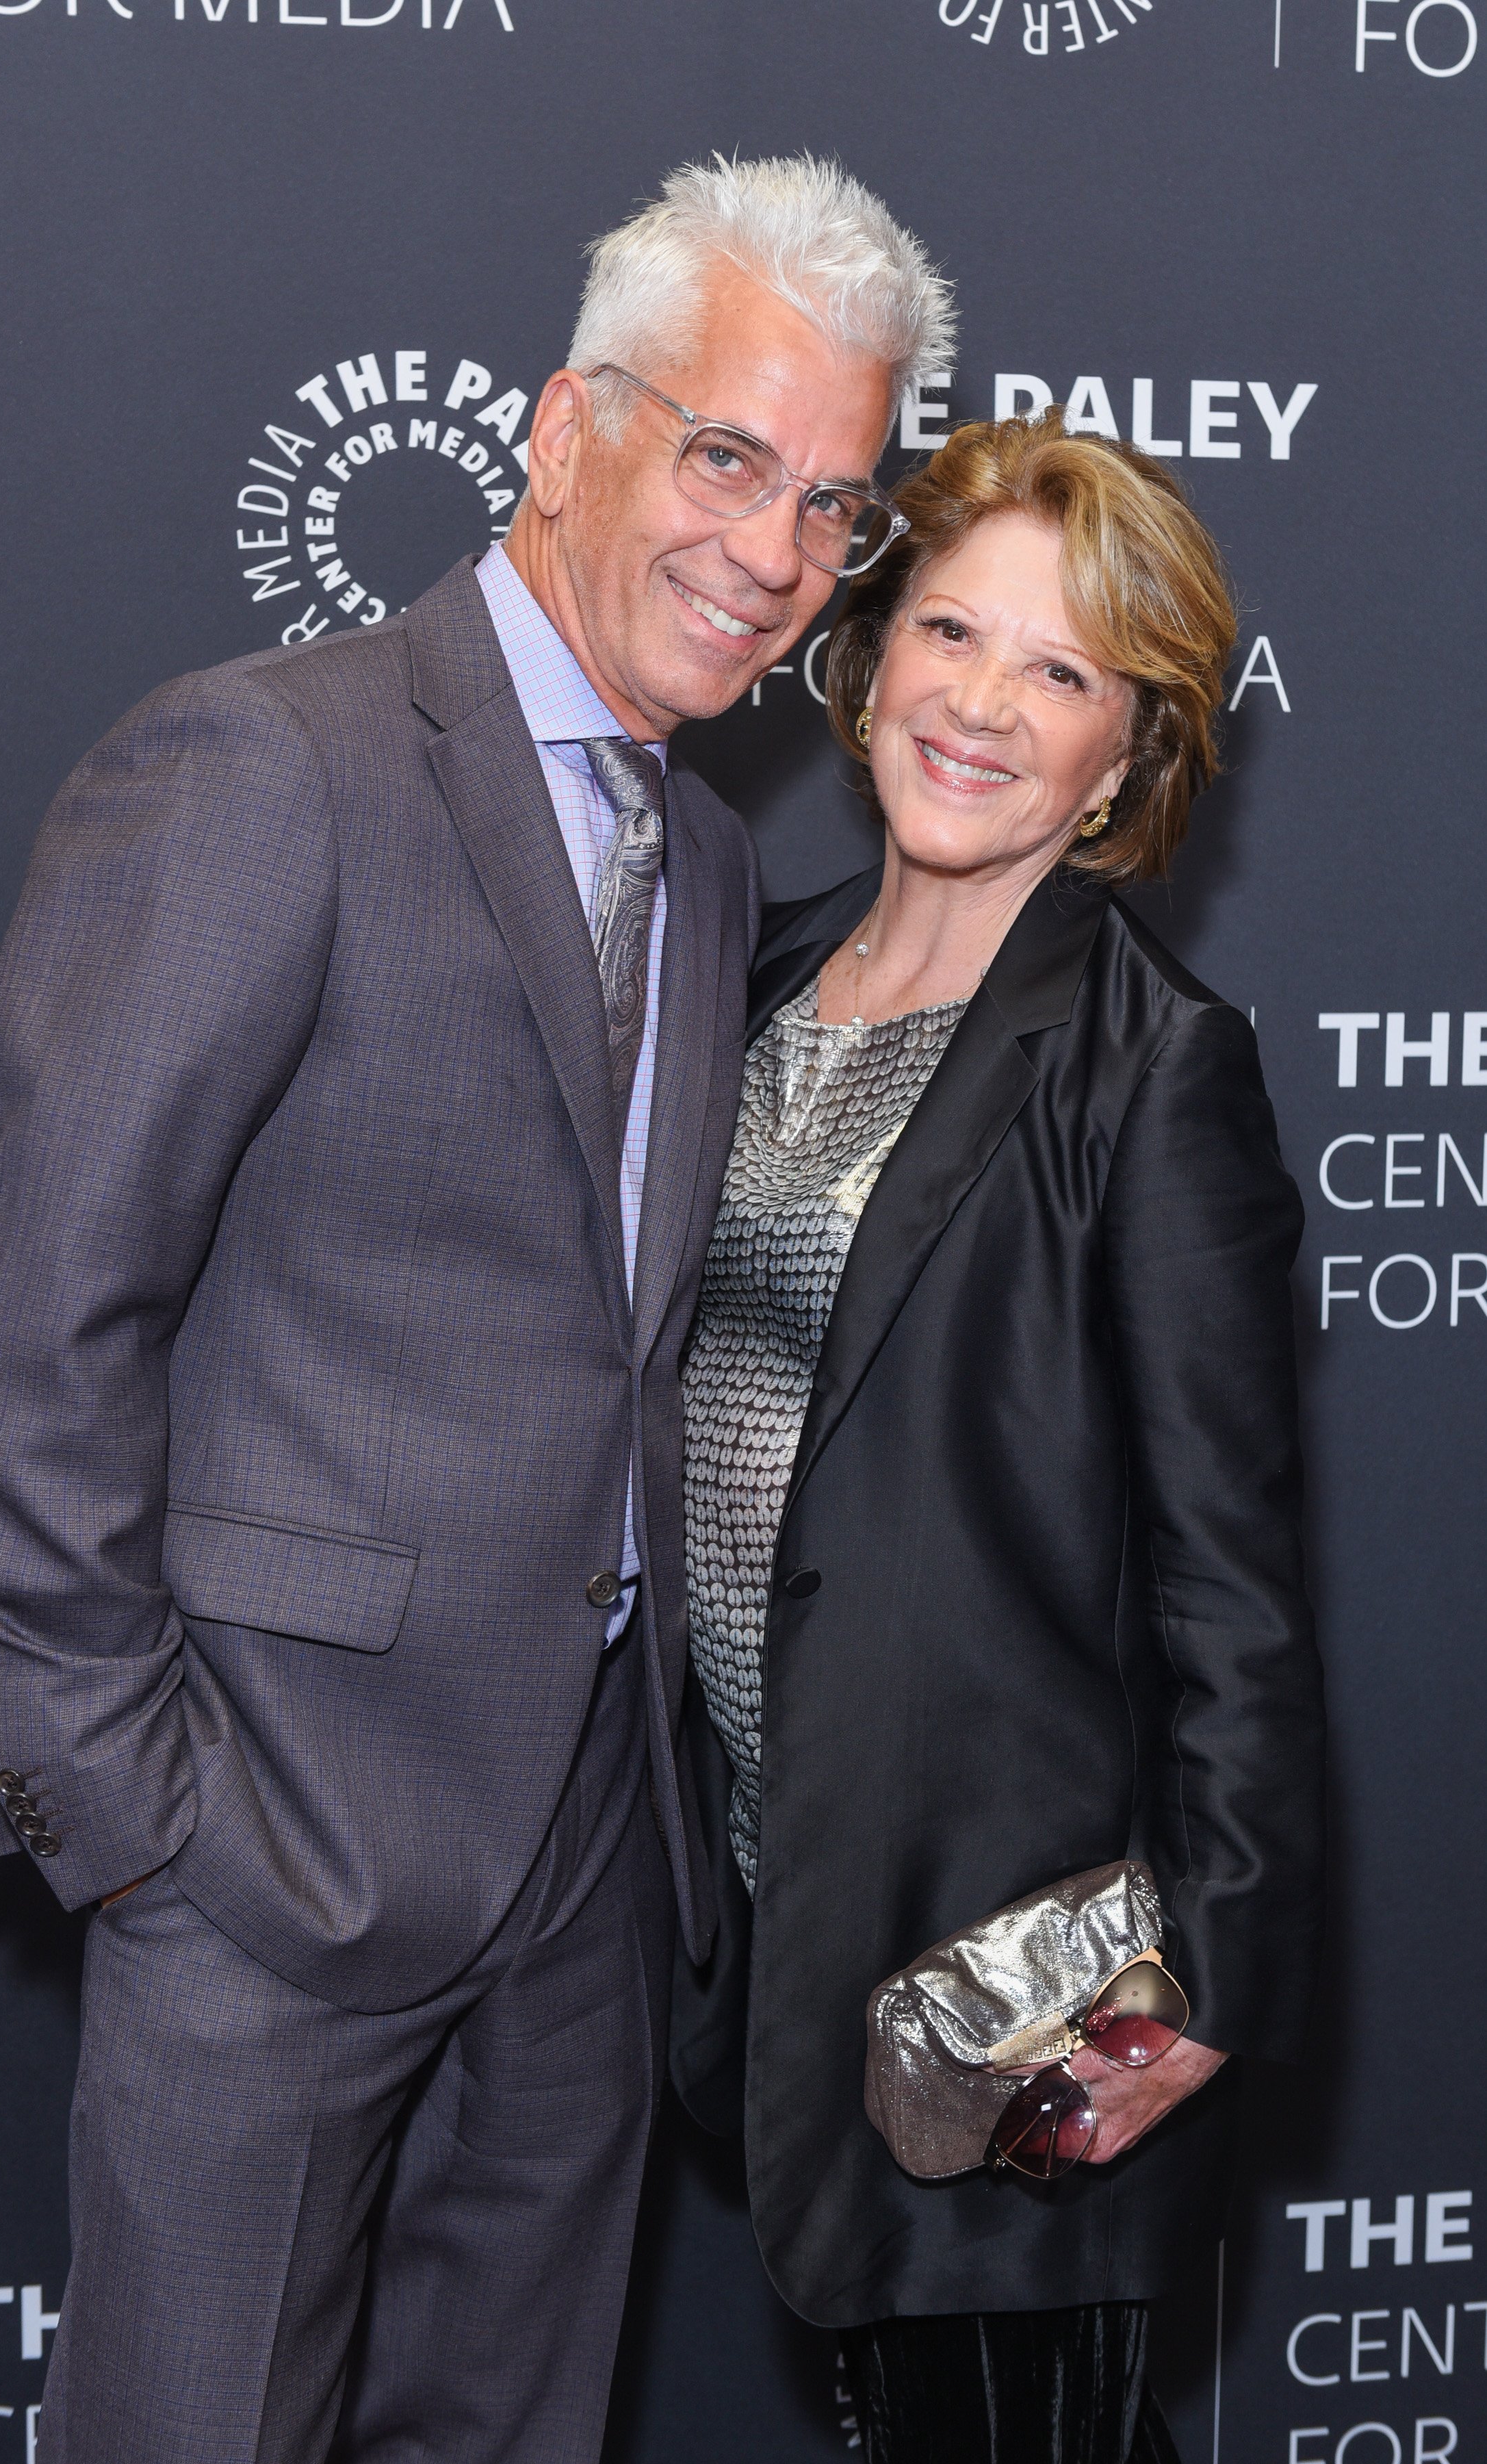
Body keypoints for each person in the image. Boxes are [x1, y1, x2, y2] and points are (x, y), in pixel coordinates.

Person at [0, 158, 954, 2463]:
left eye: (835, 505)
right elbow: (39, 1330)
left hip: (586, 1871)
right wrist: (140, 1817)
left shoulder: (697, 853)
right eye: (726, 459)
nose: (779, 556)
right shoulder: (263, 768)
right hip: (267, 1845)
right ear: (562, 431)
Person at [672, 410, 1326, 2464]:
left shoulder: (1154, 1069)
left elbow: (1233, 1587)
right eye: (949, 632)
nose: (980, 702)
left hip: (1011, 1985)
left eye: (1060, 672)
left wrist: (1193, 1993)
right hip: (753, 1909)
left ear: (1128, 754)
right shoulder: (742, 979)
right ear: (864, 660)